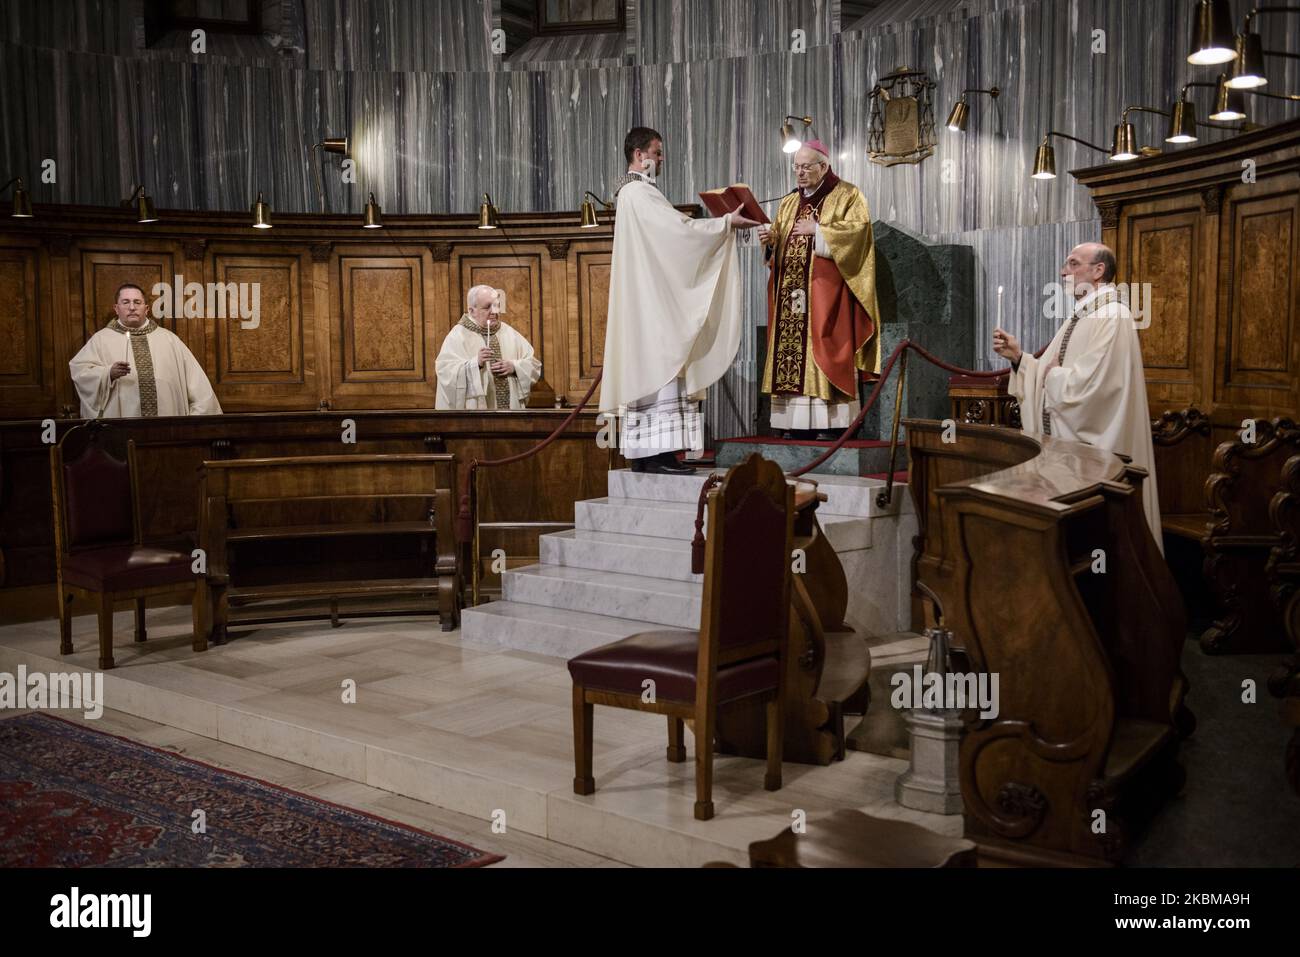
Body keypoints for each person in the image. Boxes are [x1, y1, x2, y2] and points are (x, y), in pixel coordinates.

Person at [599, 126, 759, 474]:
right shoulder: (639, 194)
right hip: (653, 305)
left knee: (656, 369)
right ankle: (655, 454)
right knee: (663, 365)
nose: (661, 158)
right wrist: (726, 224)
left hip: (648, 298)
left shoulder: (632, 194)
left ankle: (653, 454)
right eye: (657, 153)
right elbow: (680, 233)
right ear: (639, 156)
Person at [993, 242, 1161, 549]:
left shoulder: (1113, 316)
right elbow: (1048, 370)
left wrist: (1054, 376)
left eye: (1073, 264)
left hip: (1098, 452)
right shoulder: (1082, 315)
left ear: (1098, 271)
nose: (1063, 271)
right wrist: (1019, 358)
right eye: (1066, 264)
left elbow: (1094, 390)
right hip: (1069, 450)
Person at [758, 139, 881, 440]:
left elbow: (860, 236)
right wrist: (770, 241)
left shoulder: (848, 195)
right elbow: (780, 248)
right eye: (796, 167)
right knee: (790, 355)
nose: (799, 173)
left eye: (806, 167)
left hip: (826, 296)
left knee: (825, 349)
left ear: (824, 166)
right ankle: (794, 423)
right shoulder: (788, 203)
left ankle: (831, 423)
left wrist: (820, 231)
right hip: (791, 297)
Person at [70, 282, 221, 418]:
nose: (132, 307)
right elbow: (80, 372)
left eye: (137, 302)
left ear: (146, 309)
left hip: (167, 426)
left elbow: (198, 385)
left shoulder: (169, 339)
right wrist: (107, 374)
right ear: (116, 308)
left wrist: (196, 419)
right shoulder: (101, 339)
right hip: (122, 428)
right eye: (125, 302)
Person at [435, 284, 540, 409]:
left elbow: (534, 365)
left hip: (510, 414)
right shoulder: (458, 336)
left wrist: (514, 367)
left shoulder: (509, 332)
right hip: (475, 417)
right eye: (487, 307)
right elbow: (445, 372)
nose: (494, 311)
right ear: (472, 311)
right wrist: (476, 364)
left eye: (496, 305)